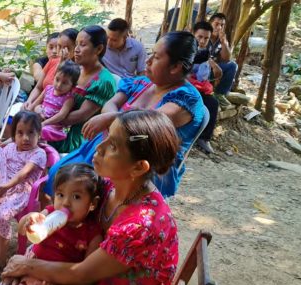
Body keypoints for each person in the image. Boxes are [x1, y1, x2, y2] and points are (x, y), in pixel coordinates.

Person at [1, 110, 181, 285]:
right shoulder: (109, 186)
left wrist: (27, 266)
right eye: (106, 136)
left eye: (112, 145)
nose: (99, 148)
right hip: (90, 277)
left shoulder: (142, 225)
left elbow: (81, 272)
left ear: (138, 167)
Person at [43, 31, 205, 199]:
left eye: (156, 57)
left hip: (141, 166)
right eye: (150, 54)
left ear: (175, 67)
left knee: (83, 193)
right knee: (58, 175)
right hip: (106, 147)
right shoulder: (140, 83)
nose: (147, 61)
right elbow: (110, 104)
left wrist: (110, 119)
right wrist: (111, 117)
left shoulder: (186, 99)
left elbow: (148, 122)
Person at [0, 163, 103, 285]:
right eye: (60, 194)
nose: (65, 203)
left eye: (76, 197)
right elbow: (22, 229)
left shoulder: (92, 234)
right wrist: (29, 219)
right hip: (30, 272)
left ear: (93, 203)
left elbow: (88, 276)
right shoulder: (50, 212)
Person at [0, 111, 47, 285]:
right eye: (20, 133)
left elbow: (23, 174)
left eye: (31, 133)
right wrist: (2, 143)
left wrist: (6, 188)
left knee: (2, 214)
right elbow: (4, 146)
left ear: (39, 135)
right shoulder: (12, 146)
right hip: (3, 181)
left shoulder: (38, 154)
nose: (25, 138)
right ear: (14, 135)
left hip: (21, 190)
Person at [48, 25, 118, 153]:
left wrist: (46, 119)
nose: (76, 50)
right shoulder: (76, 70)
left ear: (99, 49)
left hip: (79, 137)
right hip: (57, 124)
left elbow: (80, 116)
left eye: (82, 45)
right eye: (76, 44)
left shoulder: (104, 81)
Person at [24, 28, 79, 111]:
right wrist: (29, 101)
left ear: (75, 48)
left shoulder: (76, 71)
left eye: (66, 48)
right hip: (37, 106)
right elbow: (38, 88)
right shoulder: (52, 61)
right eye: (59, 46)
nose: (61, 51)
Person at [28, 60, 80, 142]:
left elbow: (61, 115)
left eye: (64, 83)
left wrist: (45, 123)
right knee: (24, 124)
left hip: (53, 126)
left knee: (42, 131)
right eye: (57, 79)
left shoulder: (69, 98)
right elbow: (36, 103)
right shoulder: (48, 89)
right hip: (39, 118)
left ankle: (41, 150)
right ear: (54, 76)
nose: (59, 85)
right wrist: (29, 111)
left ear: (72, 86)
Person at [191, 21, 221, 154]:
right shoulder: (184, 48)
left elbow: (207, 76)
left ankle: (204, 138)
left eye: (206, 38)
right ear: (193, 35)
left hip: (197, 87)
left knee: (213, 103)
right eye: (199, 37)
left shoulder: (206, 53)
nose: (202, 41)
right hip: (180, 85)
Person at [209, 13, 238, 108]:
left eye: (222, 25)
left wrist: (224, 43)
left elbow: (226, 59)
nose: (219, 27)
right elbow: (198, 53)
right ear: (210, 23)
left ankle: (219, 94)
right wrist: (213, 64)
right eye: (216, 24)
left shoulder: (221, 40)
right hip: (197, 70)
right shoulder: (204, 34)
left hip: (211, 71)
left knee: (232, 65)